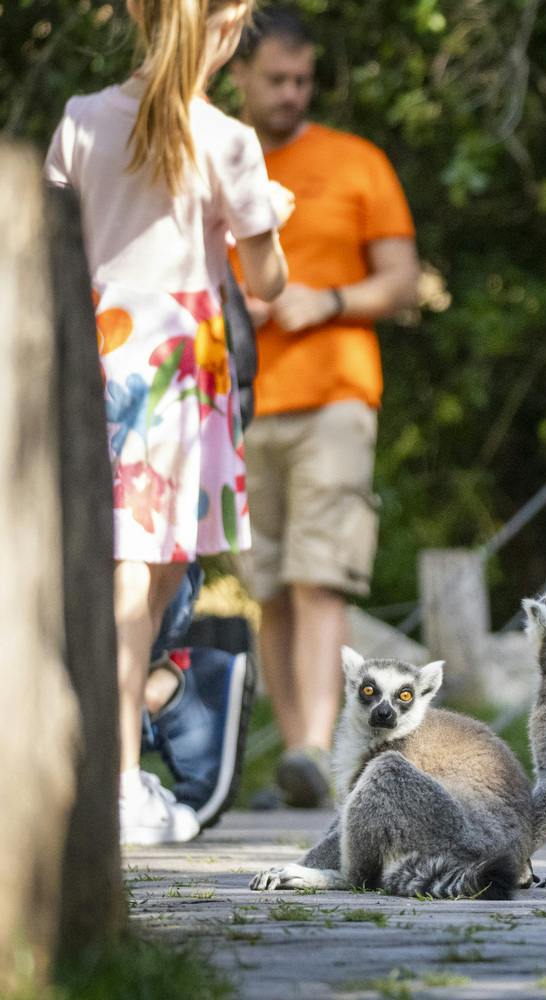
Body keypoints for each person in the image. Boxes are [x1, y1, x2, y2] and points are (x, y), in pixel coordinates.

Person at [46, 0, 289, 844]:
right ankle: (117, 782)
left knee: (141, 580)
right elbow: (268, 280)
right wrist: (266, 214)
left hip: (100, 348)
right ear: (229, 25)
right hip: (179, 365)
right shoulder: (227, 140)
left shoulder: (83, 120)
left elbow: (53, 240)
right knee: (138, 583)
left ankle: (113, 772)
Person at [229, 7, 419, 807]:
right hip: (239, 401)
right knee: (269, 585)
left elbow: (402, 281)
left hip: (335, 397)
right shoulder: (217, 159)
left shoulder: (356, 162)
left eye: (302, 80)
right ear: (239, 74)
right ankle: (301, 757)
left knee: (319, 579)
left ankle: (316, 750)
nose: (291, 93)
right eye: (276, 79)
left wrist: (328, 300)